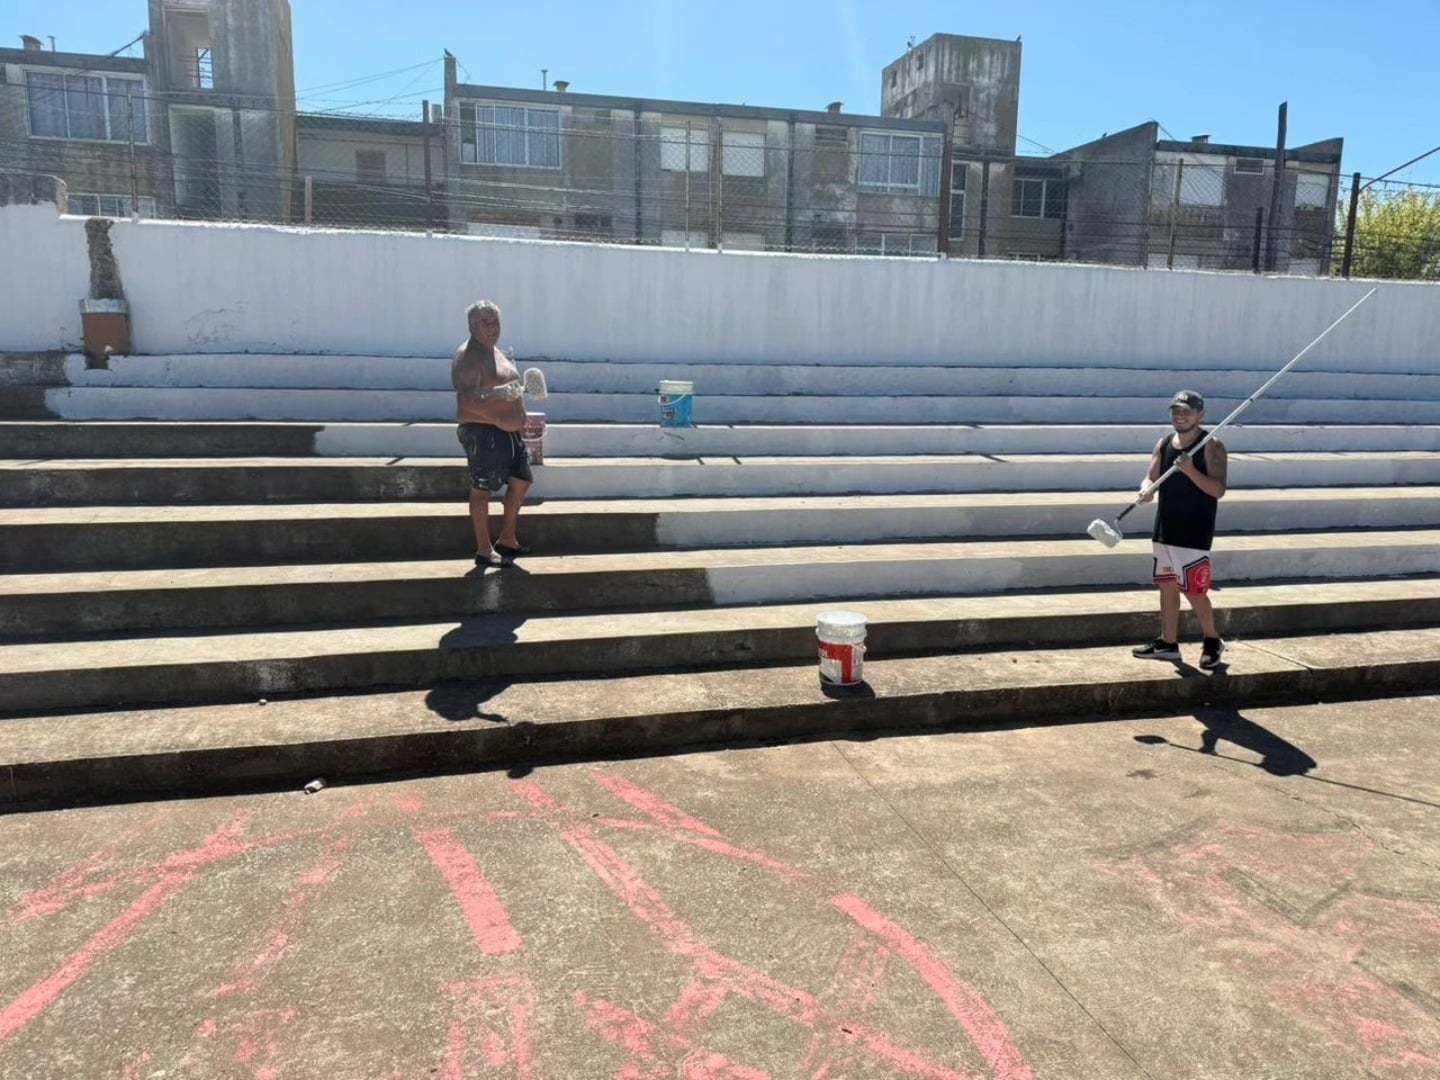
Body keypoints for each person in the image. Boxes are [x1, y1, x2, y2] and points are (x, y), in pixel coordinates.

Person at [1132, 389, 1228, 668]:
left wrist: (1190, 471)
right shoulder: (1164, 443)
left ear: (1200, 414)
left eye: (1187, 411)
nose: (1181, 416)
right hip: (1165, 525)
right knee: (1167, 585)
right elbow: (1150, 476)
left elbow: (1218, 490)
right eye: (1177, 411)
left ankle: (1212, 640)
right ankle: (1168, 642)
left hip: (1194, 529)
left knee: (1195, 591)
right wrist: (1146, 490)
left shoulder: (1212, 445)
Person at [452, 300, 532, 567]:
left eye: (495, 321)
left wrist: (525, 392)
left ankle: (507, 538)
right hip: (482, 430)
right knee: (482, 489)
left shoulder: (498, 352)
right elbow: (466, 397)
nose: (492, 327)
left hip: (509, 433)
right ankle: (484, 549)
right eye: (485, 322)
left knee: (521, 481)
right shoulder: (468, 355)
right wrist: (499, 394)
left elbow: (508, 388)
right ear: (472, 325)